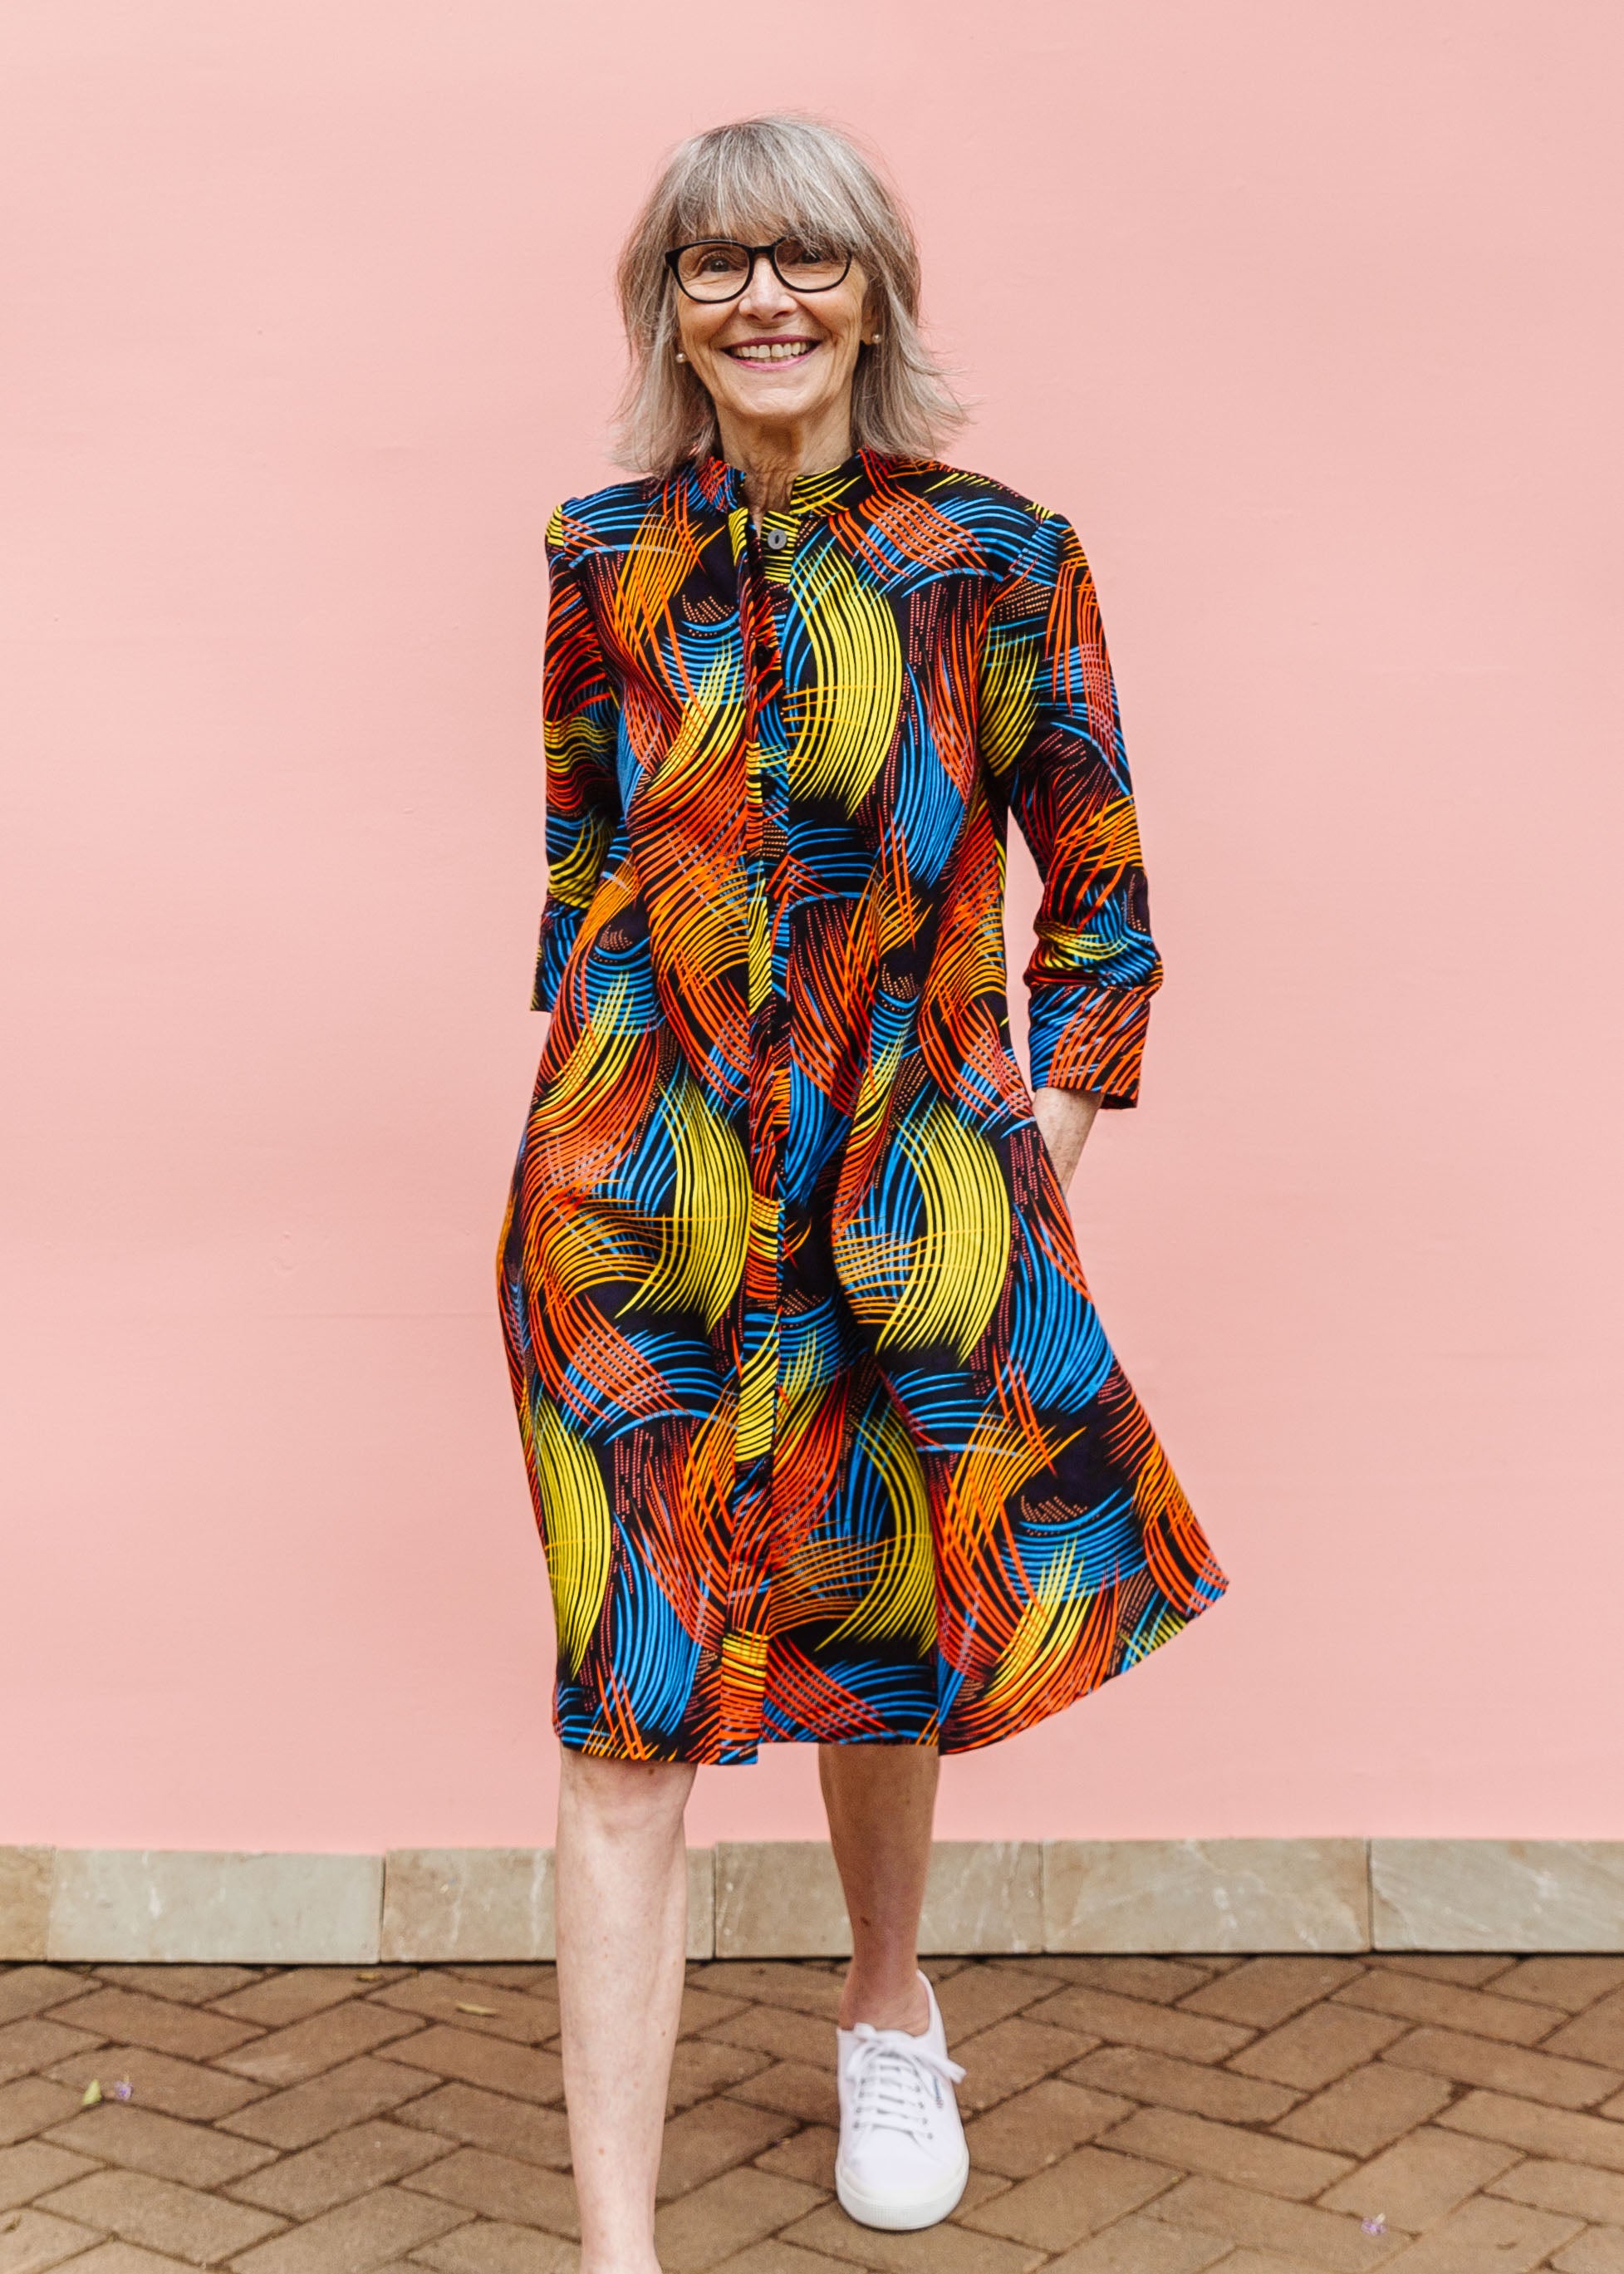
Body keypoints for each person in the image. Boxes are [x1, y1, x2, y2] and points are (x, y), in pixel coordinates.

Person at [498, 111, 1228, 2269]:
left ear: (871, 290)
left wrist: (1004, 1179)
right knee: (625, 1714)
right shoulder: (597, 557)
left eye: (801, 259)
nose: (761, 299)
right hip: (627, 1213)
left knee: (875, 1643)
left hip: (895, 1208)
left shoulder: (998, 552)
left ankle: (883, 2003)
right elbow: (577, 898)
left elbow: (1098, 914)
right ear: (668, 304)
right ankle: (616, 2246)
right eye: (715, 263)